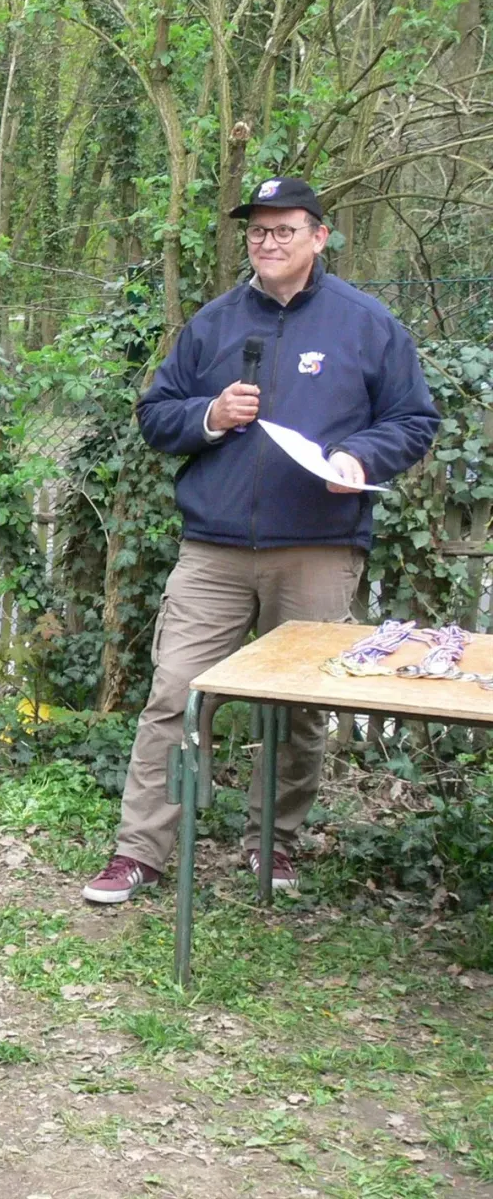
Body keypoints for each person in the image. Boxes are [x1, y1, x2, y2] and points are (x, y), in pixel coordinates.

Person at [83, 176, 441, 905]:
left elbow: (414, 419)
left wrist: (361, 457)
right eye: (256, 231)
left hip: (317, 549)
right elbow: (156, 415)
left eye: (284, 230)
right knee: (177, 696)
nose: (267, 242)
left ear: (320, 236)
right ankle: (140, 851)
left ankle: (271, 843)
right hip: (212, 550)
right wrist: (209, 415)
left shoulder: (366, 323)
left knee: (297, 707)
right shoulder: (214, 323)